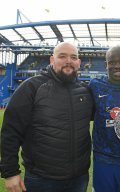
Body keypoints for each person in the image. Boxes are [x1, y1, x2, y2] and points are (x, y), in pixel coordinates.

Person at [0, 42, 94, 192]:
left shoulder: (85, 91)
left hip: (79, 178)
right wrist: (10, 172)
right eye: (62, 56)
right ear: (52, 60)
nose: (68, 61)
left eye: (73, 57)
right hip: (42, 180)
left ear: (78, 62)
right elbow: (10, 131)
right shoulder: (31, 87)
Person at [89, 46, 120, 192]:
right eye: (112, 62)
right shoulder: (95, 85)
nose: (118, 66)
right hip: (102, 159)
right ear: (106, 65)